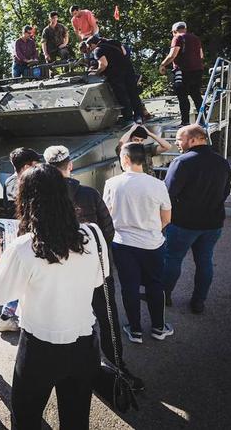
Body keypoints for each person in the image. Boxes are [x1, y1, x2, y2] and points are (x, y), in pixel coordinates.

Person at [0, 165, 108, 429]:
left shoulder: (23, 246)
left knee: (26, 419)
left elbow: (2, 292)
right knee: (76, 420)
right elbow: (99, 279)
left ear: (25, 200)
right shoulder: (94, 235)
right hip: (85, 343)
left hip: (39, 349)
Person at [44, 145, 144, 387]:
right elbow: (107, 232)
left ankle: (72, 366)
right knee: (107, 317)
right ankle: (117, 366)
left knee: (67, 318)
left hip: (60, 273)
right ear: (70, 166)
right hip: (97, 269)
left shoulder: (42, 198)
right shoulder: (89, 194)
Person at [103, 143, 173, 344]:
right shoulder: (157, 184)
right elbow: (167, 218)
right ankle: (159, 328)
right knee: (154, 284)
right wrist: (150, 230)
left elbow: (106, 214)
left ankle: (135, 330)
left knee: (129, 286)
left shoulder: (112, 183)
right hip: (152, 244)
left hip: (122, 244)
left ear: (125, 159)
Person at [163, 124, 231, 314]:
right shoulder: (221, 162)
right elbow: (226, 191)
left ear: (192, 140)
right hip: (213, 223)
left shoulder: (182, 162)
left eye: (179, 139)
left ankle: (163, 295)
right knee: (205, 261)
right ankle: (198, 302)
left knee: (173, 259)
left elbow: (167, 193)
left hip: (184, 223)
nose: (177, 142)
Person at [0, 147, 42, 333]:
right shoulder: (32, 182)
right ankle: (10, 316)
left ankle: (6, 316)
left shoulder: (8, 181)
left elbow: (7, 207)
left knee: (17, 276)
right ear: (27, 166)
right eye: (35, 164)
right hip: (29, 235)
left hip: (13, 232)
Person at [87, 35, 144, 123]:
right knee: (133, 93)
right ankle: (139, 116)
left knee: (122, 95)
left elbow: (103, 64)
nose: (90, 49)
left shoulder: (98, 50)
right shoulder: (114, 42)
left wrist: (96, 73)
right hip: (128, 69)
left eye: (89, 46)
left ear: (92, 44)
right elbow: (124, 53)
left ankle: (128, 118)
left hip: (115, 74)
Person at [159, 22, 204, 126]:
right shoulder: (196, 38)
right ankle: (203, 120)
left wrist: (162, 65)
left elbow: (172, 55)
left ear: (174, 31)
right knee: (196, 95)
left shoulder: (178, 38)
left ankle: (185, 122)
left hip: (183, 71)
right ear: (185, 29)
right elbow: (201, 55)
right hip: (198, 70)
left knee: (182, 96)